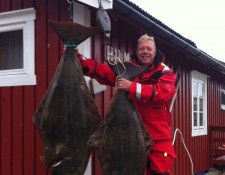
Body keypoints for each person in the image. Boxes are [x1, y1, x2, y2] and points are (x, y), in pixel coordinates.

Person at [76, 34, 177, 175]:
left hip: (158, 139)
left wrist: (132, 87)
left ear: (155, 52)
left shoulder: (165, 72)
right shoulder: (125, 72)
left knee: (160, 171)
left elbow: (163, 92)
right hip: (129, 139)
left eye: (149, 48)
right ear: (137, 51)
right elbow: (104, 72)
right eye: (142, 49)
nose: (145, 52)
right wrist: (81, 60)